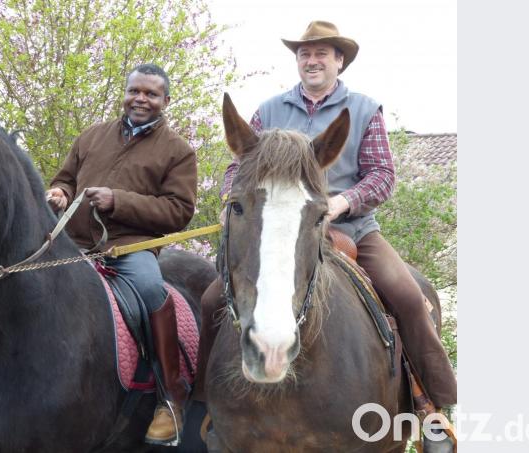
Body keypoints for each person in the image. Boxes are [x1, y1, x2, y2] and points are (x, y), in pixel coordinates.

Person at [195, 20, 457, 450]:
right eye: (305, 53)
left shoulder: (365, 109)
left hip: (351, 228)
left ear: (339, 61)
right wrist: (233, 198)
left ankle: (432, 410)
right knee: (210, 300)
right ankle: (206, 405)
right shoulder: (268, 110)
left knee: (410, 297)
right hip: (276, 229)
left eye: (322, 53)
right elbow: (237, 167)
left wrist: (343, 202)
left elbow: (383, 175)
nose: (312, 60)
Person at [46, 63, 197, 446]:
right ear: (125, 93)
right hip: (73, 245)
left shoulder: (178, 152)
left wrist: (119, 201)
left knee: (150, 290)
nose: (140, 99)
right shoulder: (92, 135)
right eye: (135, 91)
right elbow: (66, 177)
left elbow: (179, 211)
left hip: (129, 247)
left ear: (166, 100)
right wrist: (60, 193)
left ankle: (170, 397)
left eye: (151, 94)